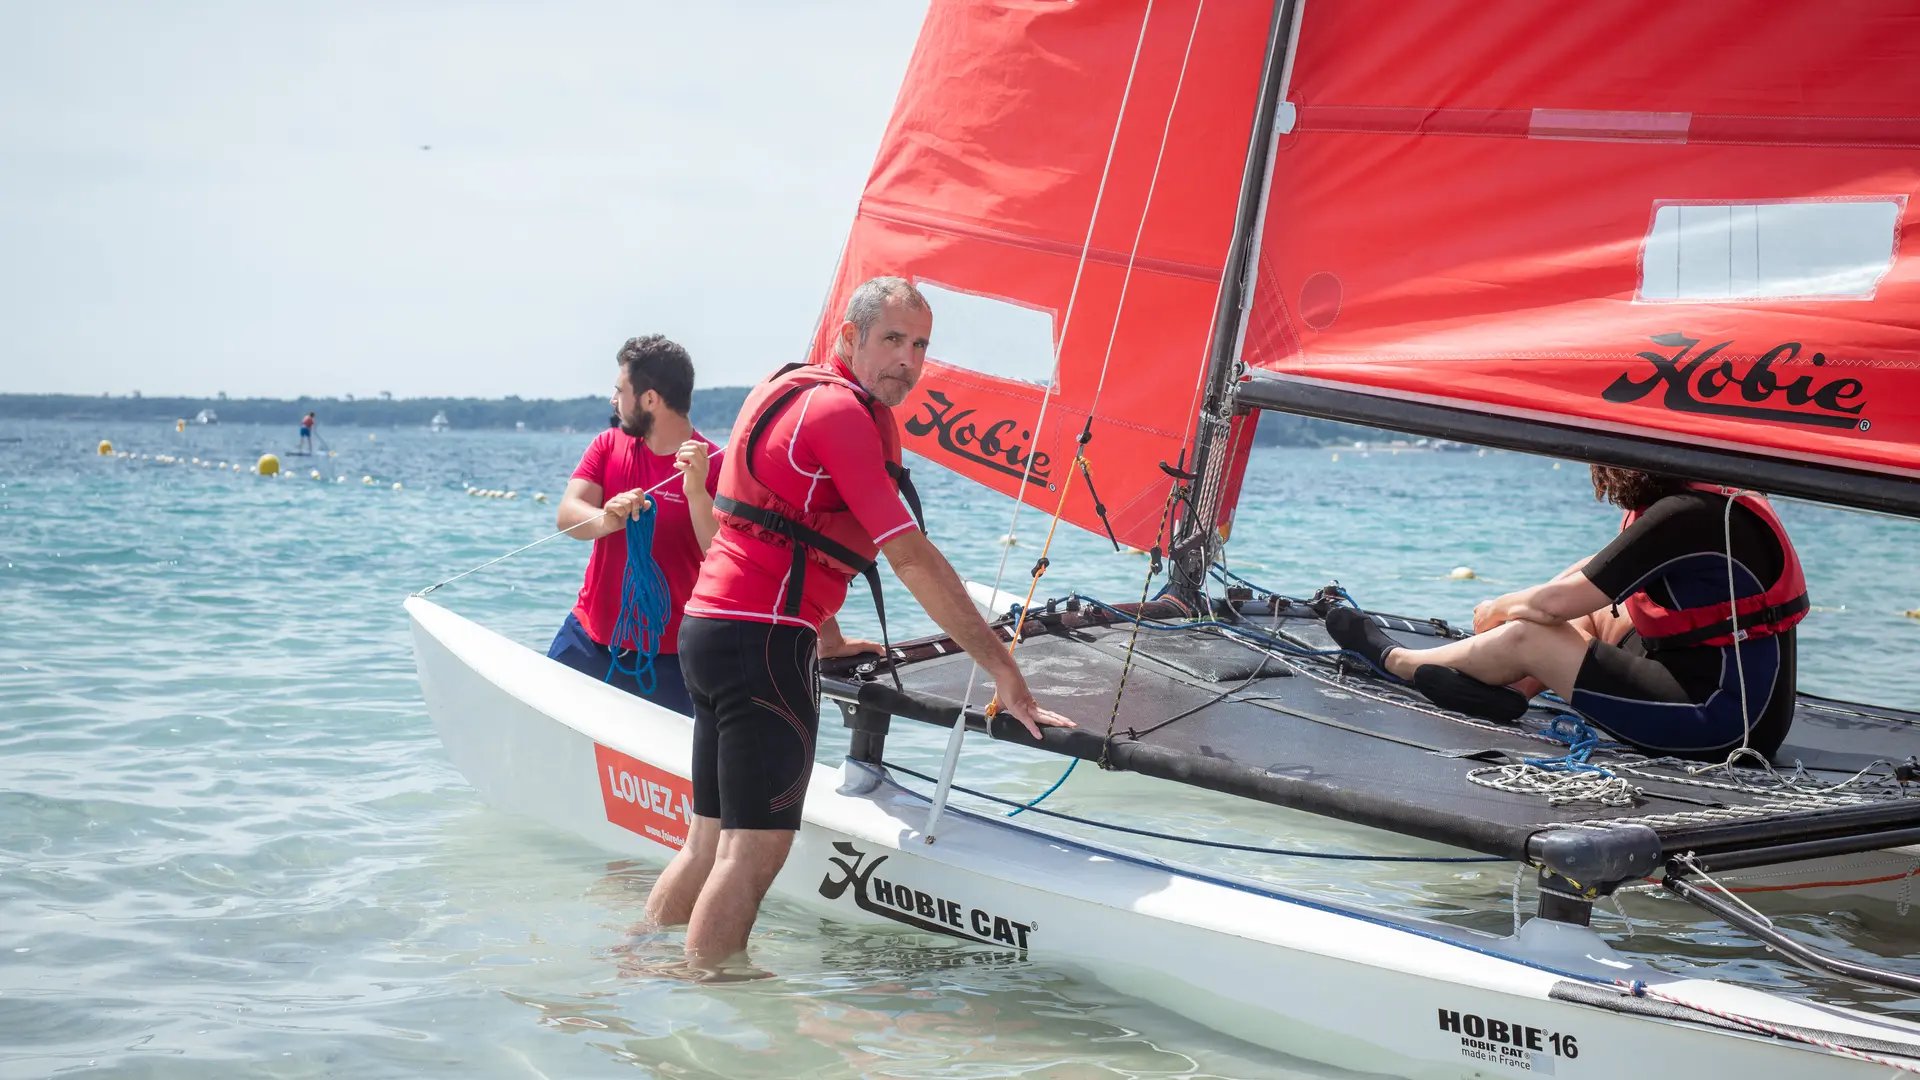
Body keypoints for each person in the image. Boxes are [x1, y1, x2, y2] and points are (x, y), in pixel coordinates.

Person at [647, 276, 1074, 967]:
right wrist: (1002, 666)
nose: (908, 359)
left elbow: (784, 530)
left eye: (921, 345)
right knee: (748, 858)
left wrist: (831, 638)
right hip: (763, 647)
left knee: (705, 842)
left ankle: (638, 964)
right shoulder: (843, 415)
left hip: (710, 628)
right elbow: (907, 555)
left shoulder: (788, 388)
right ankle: (713, 1024)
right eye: (893, 340)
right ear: (849, 337)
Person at [1326, 464, 1805, 761]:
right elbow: (1594, 575)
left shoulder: (1684, 515)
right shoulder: (1714, 500)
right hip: (1748, 710)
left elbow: (1555, 603)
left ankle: (1400, 662)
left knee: (1532, 636)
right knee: (1599, 614)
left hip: (1718, 728)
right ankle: (1515, 688)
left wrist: (1499, 608)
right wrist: (1531, 604)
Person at [548, 335, 720, 717]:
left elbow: (722, 556)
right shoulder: (608, 445)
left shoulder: (715, 466)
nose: (613, 400)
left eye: (620, 390)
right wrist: (607, 518)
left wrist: (696, 494)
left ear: (650, 399)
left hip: (671, 658)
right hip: (589, 638)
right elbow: (567, 515)